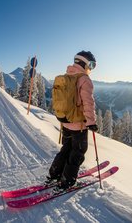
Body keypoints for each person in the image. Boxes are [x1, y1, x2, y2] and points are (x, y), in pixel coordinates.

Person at [48, 50, 98, 190]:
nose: (91, 69)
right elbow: (88, 103)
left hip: (65, 121)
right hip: (78, 124)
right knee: (77, 152)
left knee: (66, 149)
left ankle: (54, 174)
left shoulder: (67, 75)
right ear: (85, 63)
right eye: (91, 65)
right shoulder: (84, 79)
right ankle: (67, 181)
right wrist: (91, 122)